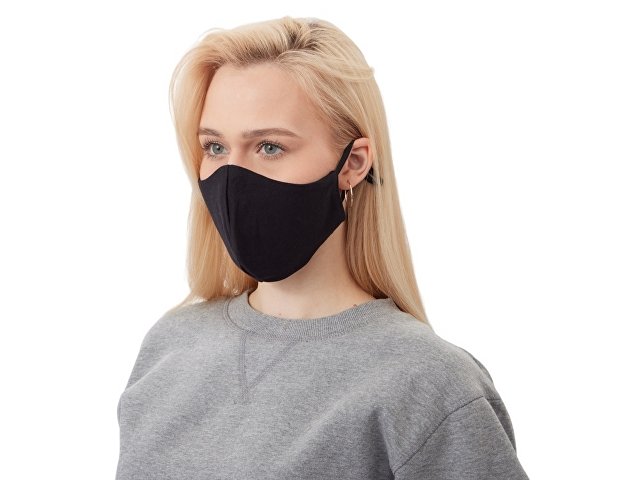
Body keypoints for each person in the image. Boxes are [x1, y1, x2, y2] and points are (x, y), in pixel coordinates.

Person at [115, 16, 529, 479]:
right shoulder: (171, 345)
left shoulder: (429, 384)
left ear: (353, 164)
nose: (232, 177)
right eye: (215, 147)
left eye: (269, 147)